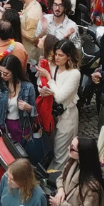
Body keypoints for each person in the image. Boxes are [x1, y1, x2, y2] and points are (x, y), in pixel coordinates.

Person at [51, 136, 104, 206]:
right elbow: (62, 178)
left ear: (82, 154)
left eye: (72, 148)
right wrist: (61, 189)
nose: (68, 148)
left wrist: (60, 204)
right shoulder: (72, 162)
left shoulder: (91, 187)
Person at [38, 39, 81, 171]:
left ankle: (59, 181)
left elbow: (60, 96)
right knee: (51, 148)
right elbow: (40, 82)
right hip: (51, 115)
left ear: (69, 56)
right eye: (56, 54)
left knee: (61, 153)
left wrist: (49, 80)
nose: (57, 57)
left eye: (61, 55)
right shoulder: (52, 66)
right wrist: (42, 89)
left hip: (67, 117)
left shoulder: (74, 74)